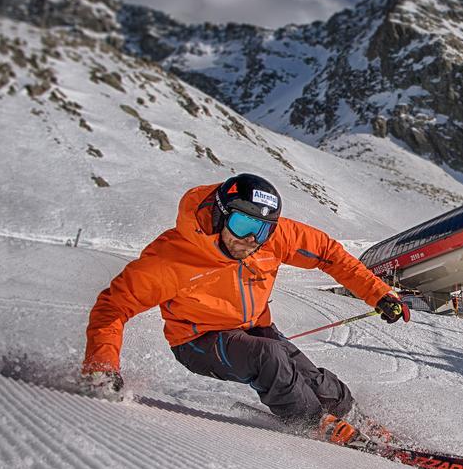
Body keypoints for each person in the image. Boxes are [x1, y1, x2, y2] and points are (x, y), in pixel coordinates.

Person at [81, 173, 409, 443]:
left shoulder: (268, 240)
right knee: (270, 358)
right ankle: (315, 424)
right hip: (198, 341)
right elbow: (113, 308)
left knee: (314, 379)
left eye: (262, 230)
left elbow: (328, 253)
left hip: (254, 327)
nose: (251, 240)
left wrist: (378, 294)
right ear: (218, 215)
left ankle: (354, 418)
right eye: (241, 225)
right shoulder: (171, 259)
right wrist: (103, 364)